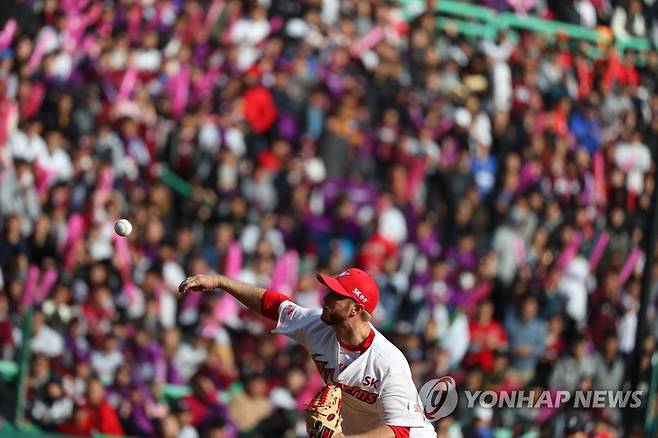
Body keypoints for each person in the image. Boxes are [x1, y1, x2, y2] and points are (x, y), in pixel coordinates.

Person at [178, 267, 436, 437]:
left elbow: (400, 429)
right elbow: (274, 305)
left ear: (355, 310)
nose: (326, 296)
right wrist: (221, 282)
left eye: (336, 295)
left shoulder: (387, 362)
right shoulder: (318, 325)